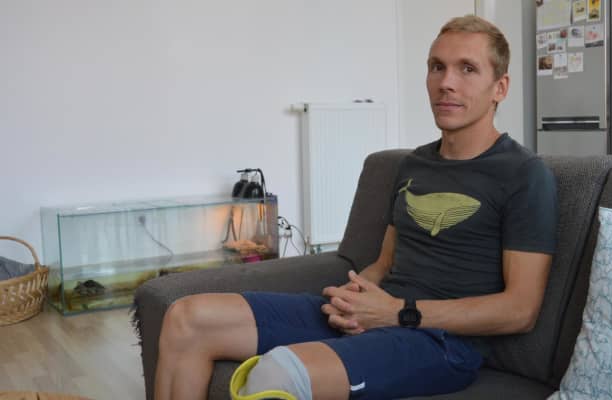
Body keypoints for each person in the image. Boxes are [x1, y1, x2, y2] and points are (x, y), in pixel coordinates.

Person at [154, 14, 558, 400]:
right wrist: (354, 296)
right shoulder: (414, 165)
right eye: (437, 67)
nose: (446, 83)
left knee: (278, 373)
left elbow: (520, 310)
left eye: (467, 69)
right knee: (186, 318)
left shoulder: (523, 174)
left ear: (500, 87)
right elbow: (384, 263)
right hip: (381, 313)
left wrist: (398, 313)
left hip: (442, 343)